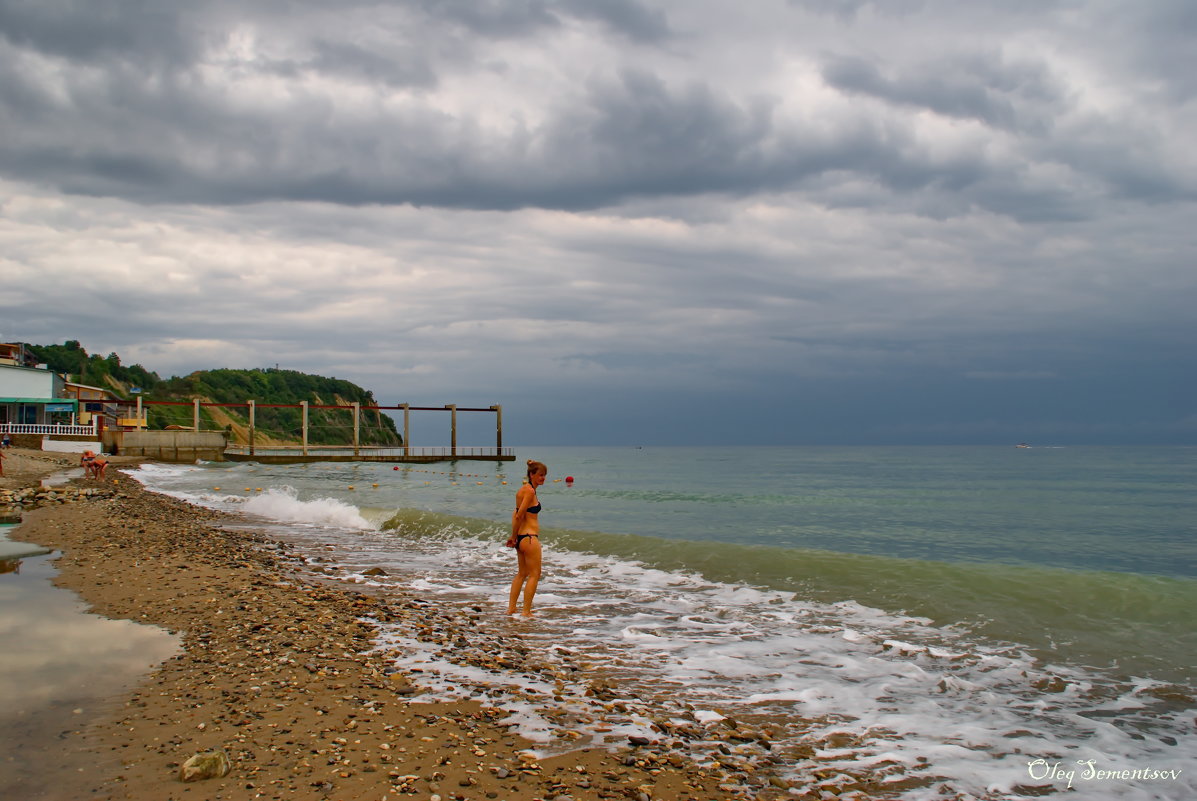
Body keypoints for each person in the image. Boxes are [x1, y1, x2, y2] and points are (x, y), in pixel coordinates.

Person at [506, 459, 547, 617]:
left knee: (522, 573)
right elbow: (519, 515)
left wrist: (515, 537)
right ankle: (526, 611)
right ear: (532, 475)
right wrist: (513, 536)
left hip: (522, 538)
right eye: (540, 475)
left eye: (544, 475)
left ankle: (511, 609)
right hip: (529, 538)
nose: (543, 478)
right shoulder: (529, 492)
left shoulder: (524, 490)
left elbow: (515, 514)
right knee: (535, 574)